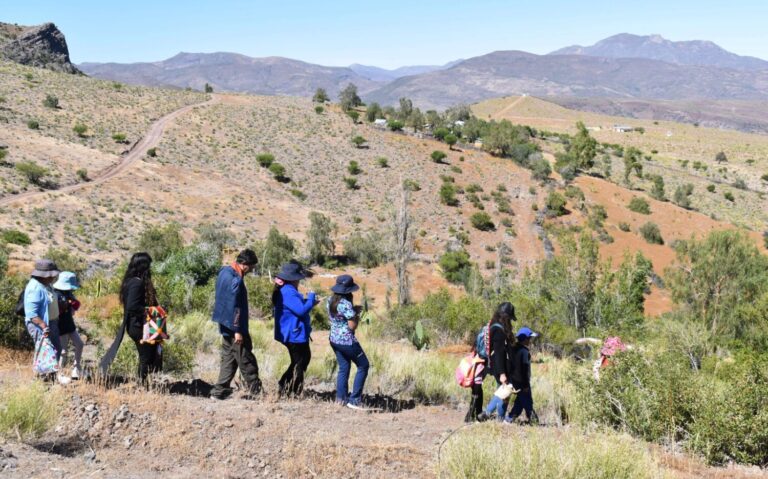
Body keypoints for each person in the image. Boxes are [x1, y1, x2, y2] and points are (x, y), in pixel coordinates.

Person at [210, 249, 262, 400]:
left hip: (224, 323)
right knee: (246, 359)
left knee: (229, 358)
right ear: (244, 264)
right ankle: (257, 392)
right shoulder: (236, 280)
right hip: (235, 326)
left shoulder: (224, 271)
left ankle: (218, 392)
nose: (251, 271)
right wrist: (237, 330)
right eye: (251, 268)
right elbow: (235, 307)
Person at [273, 261, 319, 397]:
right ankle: (292, 389)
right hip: (294, 334)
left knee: (301, 360)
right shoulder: (288, 291)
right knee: (300, 361)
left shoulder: (287, 290)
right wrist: (310, 298)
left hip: (293, 333)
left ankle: (287, 386)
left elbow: (296, 307)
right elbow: (300, 311)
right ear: (294, 278)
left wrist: (308, 303)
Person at [327, 274, 370, 409]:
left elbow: (339, 316)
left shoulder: (330, 300)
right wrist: (356, 315)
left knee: (344, 367)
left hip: (334, 339)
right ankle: (355, 400)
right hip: (347, 341)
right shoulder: (345, 304)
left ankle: (341, 399)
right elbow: (352, 326)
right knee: (363, 365)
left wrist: (353, 311)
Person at [24, 259, 69, 384]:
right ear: (44, 275)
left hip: (51, 323)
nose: (54, 277)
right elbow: (32, 314)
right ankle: (43, 380)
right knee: (47, 351)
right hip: (40, 325)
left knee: (55, 349)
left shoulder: (46, 285)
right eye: (52, 275)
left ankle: (50, 378)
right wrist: (43, 326)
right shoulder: (35, 288)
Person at [120, 252, 161, 382]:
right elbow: (133, 306)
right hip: (138, 326)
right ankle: (141, 384)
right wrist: (151, 311)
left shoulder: (130, 281)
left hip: (134, 325)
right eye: (148, 265)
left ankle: (143, 382)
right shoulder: (137, 283)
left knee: (147, 354)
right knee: (146, 356)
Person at [474, 302, 517, 422]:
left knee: (503, 391)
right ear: (505, 316)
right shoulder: (499, 330)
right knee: (505, 391)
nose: (510, 321)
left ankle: (495, 417)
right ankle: (489, 414)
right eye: (509, 318)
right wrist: (502, 373)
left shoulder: (493, 325)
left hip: (495, 364)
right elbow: (498, 353)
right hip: (499, 366)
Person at [504, 327, 539, 424]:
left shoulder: (513, 349)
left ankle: (509, 419)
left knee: (520, 402)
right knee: (528, 402)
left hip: (514, 380)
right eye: (529, 338)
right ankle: (533, 420)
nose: (530, 340)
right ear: (525, 339)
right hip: (523, 382)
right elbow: (525, 370)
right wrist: (526, 385)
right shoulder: (524, 352)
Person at [54, 271, 84, 380]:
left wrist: (72, 306)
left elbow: (76, 303)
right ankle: (59, 373)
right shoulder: (56, 294)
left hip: (69, 324)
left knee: (79, 344)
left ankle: (76, 369)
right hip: (60, 326)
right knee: (63, 351)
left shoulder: (68, 294)